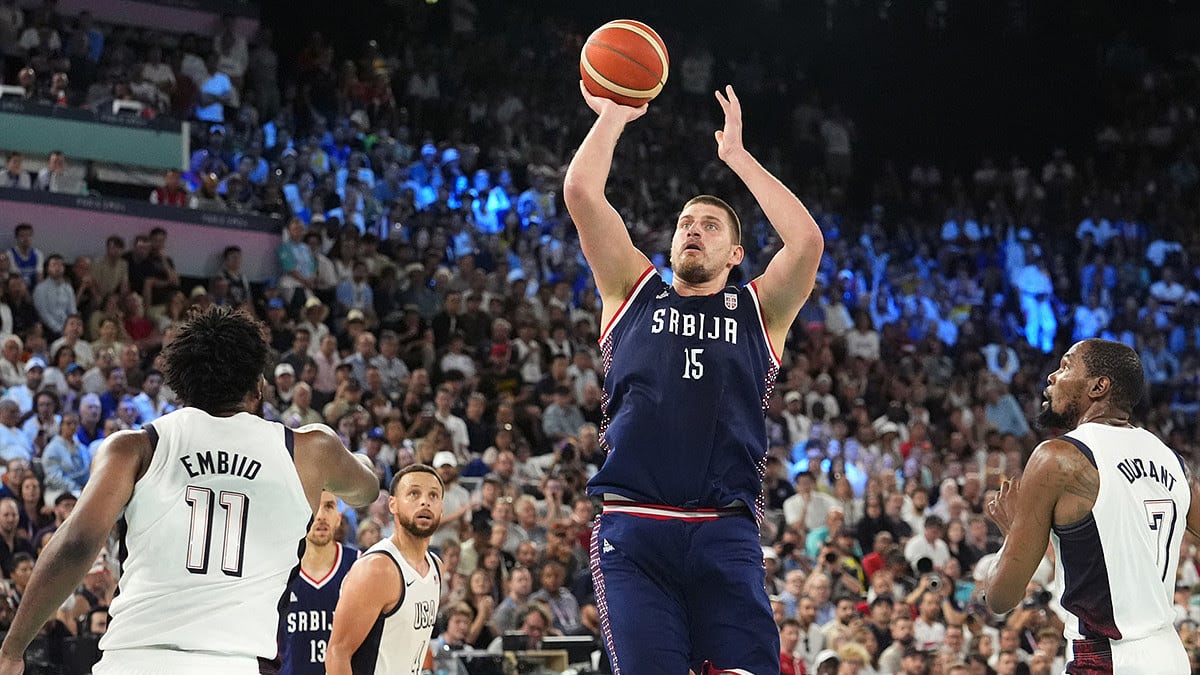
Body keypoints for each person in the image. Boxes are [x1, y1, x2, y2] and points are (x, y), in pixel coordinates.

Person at [564, 82, 824, 674]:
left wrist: (737, 157)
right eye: (686, 222)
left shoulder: (761, 311)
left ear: (736, 256)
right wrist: (612, 116)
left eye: (710, 225)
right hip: (635, 529)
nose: (693, 230)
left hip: (724, 531)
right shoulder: (632, 291)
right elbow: (581, 191)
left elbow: (806, 241)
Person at [0, 306, 380, 675]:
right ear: (260, 385)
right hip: (237, 661)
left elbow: (76, 544)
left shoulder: (133, 447)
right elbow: (366, 490)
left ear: (180, 385)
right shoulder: (310, 450)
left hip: (131, 659)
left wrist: (14, 649)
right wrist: (353, 459)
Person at [983, 338, 1194, 673]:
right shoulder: (1173, 461)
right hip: (1170, 656)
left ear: (1099, 386)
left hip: (1108, 657)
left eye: (1066, 366)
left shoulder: (1059, 458)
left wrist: (1012, 533)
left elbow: (1000, 598)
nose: (1052, 376)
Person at [326, 464, 444, 675]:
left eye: (433, 495)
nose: (425, 501)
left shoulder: (436, 567)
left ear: (441, 508)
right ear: (393, 504)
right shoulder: (378, 569)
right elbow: (337, 653)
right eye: (413, 493)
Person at [276, 490, 357, 675]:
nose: (320, 515)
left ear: (338, 517)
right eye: (314, 505)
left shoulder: (359, 565)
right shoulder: (280, 569)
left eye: (329, 506)